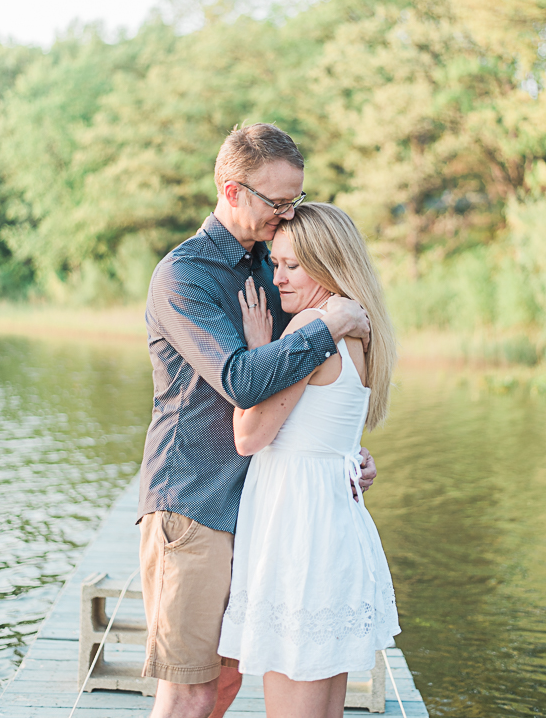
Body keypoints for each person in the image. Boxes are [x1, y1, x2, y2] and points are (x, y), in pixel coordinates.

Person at [137, 124, 377, 718]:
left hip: (264, 510)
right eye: (277, 201)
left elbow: (305, 395)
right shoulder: (185, 276)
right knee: (190, 689)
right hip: (194, 506)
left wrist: (342, 453)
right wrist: (330, 325)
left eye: (295, 198)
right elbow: (243, 380)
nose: (286, 212)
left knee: (226, 685)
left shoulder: (272, 267)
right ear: (233, 190)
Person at [218, 202, 401, 718]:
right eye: (274, 264)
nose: (277, 279)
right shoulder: (359, 331)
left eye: (291, 266)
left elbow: (249, 436)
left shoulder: (313, 328)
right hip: (332, 526)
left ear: (328, 264)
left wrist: (259, 353)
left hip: (296, 534)